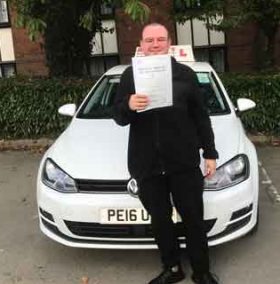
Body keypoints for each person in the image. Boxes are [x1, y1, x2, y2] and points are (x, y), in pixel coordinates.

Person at [113, 23, 219, 284]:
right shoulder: (130, 76)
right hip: (146, 164)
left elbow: (200, 117)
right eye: (150, 40)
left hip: (183, 162)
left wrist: (210, 152)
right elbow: (118, 116)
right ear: (141, 44)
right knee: (160, 220)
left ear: (169, 42)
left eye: (160, 39)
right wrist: (128, 105)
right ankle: (172, 268)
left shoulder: (185, 75)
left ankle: (201, 271)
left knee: (193, 218)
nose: (155, 44)